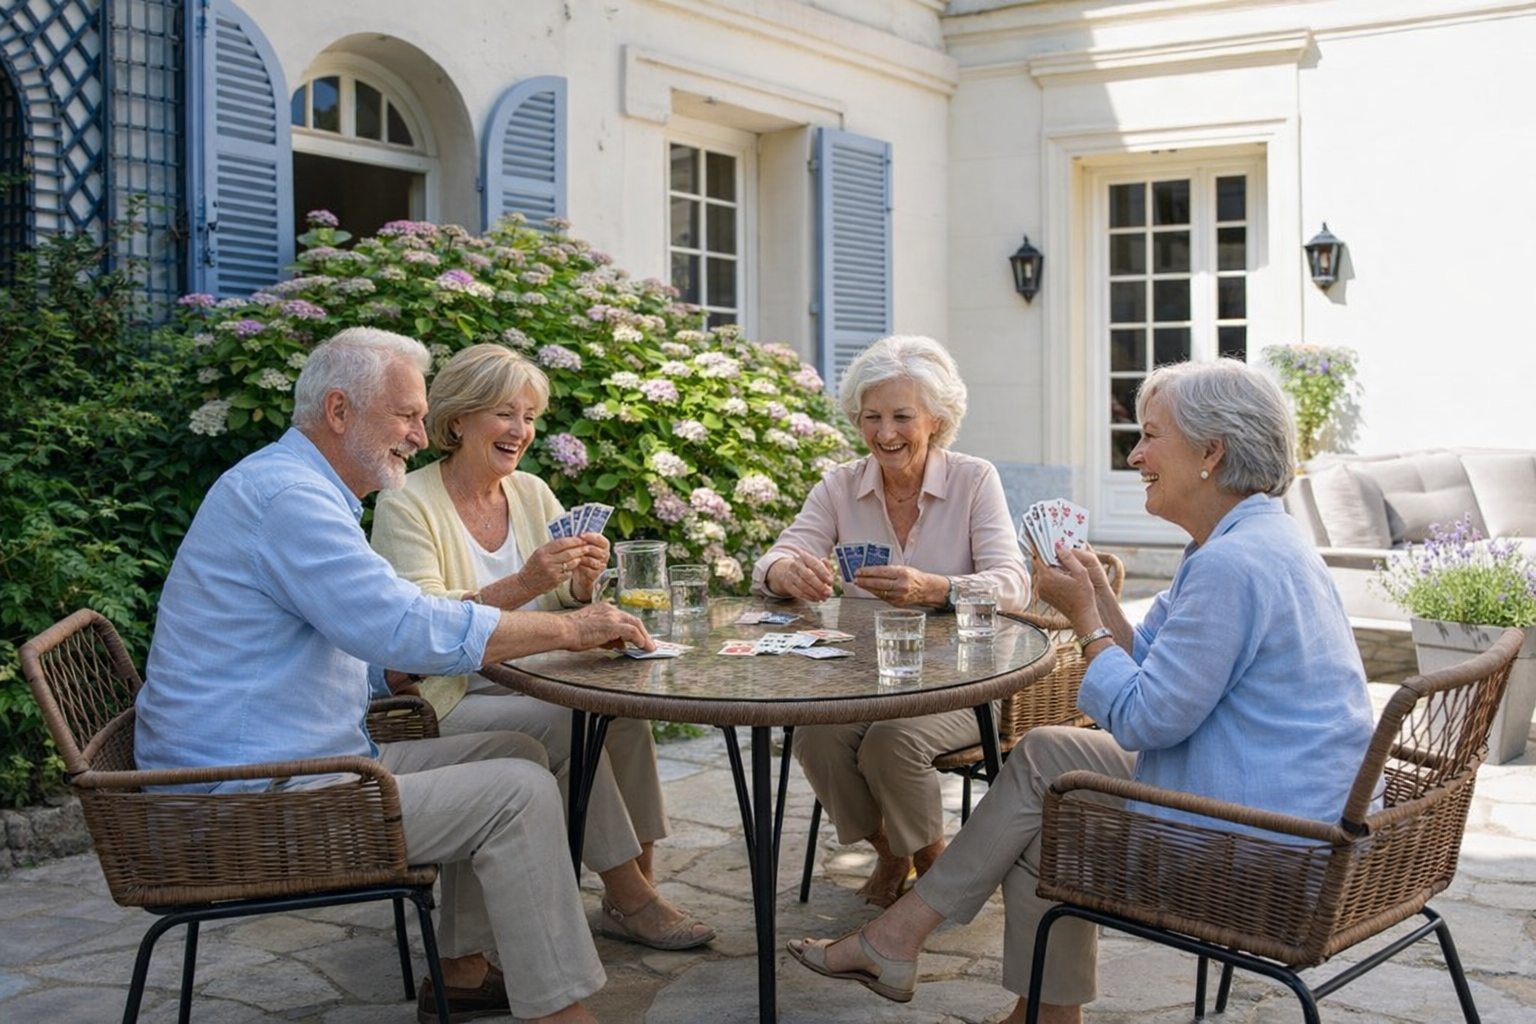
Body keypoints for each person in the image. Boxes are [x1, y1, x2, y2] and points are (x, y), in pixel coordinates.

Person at [785, 359, 1377, 1024]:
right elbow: (1160, 668)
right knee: (1043, 762)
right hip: (1284, 798)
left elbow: (1144, 720)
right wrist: (1094, 599)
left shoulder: (1231, 565)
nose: (1135, 453)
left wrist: (1088, 623)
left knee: (1046, 810)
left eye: (1151, 435)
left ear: (1212, 453)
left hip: (1261, 839)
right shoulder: (1250, 538)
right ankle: (992, 987)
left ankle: (939, 961)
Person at [135, 327, 657, 1024]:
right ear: (340, 411)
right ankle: (560, 1014)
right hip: (247, 802)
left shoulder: (296, 489)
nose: (419, 434)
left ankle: (468, 971)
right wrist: (571, 627)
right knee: (517, 791)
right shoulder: (289, 499)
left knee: (521, 750)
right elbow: (404, 625)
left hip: (292, 765)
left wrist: (389, 677)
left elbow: (371, 640)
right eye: (407, 415)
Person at [371, 342, 713, 950]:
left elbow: (562, 607)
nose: (520, 431)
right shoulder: (407, 501)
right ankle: (634, 900)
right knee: (569, 721)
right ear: (458, 419)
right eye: (505, 413)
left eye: (529, 416)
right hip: (448, 695)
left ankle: (634, 884)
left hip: (538, 672)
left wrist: (581, 582)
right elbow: (420, 628)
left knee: (626, 720)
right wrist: (526, 581)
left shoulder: (529, 492)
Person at [751, 334, 1030, 906]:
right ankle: (894, 853)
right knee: (816, 735)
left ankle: (932, 872)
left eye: (902, 416)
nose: (885, 433)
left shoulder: (974, 480)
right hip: (864, 676)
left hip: (963, 680)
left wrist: (938, 588)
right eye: (871, 417)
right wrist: (786, 574)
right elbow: (774, 559)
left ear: (936, 420)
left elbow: (1014, 581)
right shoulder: (839, 486)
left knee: (889, 742)